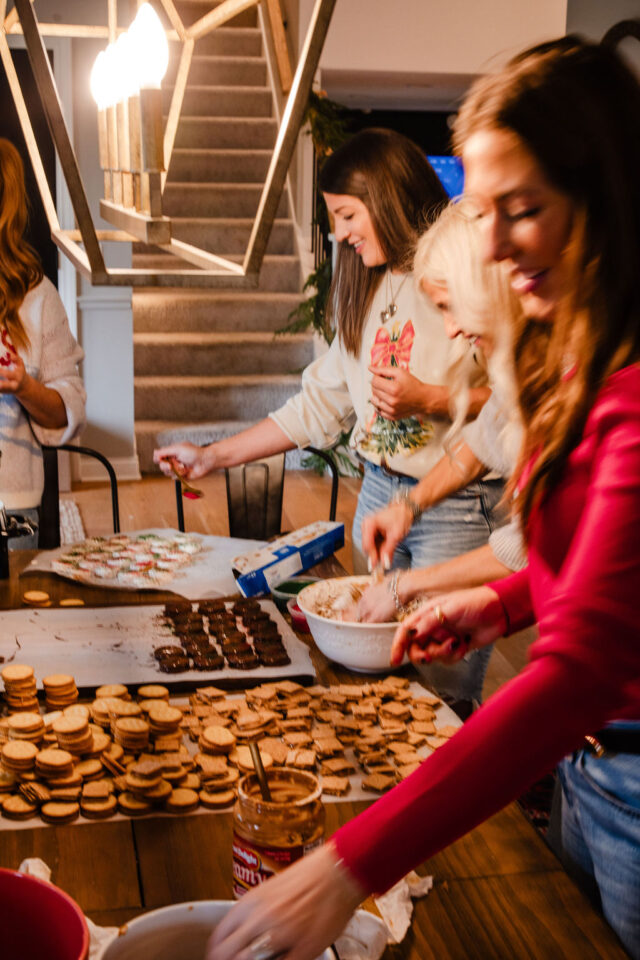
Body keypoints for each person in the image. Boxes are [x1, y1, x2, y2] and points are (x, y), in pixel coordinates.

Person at [207, 36, 640, 960]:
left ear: (607, 199)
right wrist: (501, 600)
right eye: (482, 209)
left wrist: (345, 866)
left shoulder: (631, 398)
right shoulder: (578, 367)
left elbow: (581, 669)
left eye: (518, 209)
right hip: (588, 772)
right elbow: (598, 579)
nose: (490, 244)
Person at [155, 127, 503, 703]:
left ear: (387, 198)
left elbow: (522, 405)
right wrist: (213, 455)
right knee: (371, 673)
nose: (338, 235)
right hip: (381, 499)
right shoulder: (361, 285)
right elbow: (318, 405)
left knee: (442, 689)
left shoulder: (461, 275)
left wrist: (432, 398)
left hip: (462, 511)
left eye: (346, 216)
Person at [355, 200, 526, 630]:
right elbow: (480, 444)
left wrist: (403, 586)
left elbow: (520, 550)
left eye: (450, 306)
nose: (450, 329)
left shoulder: (564, 374)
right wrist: (408, 507)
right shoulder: (515, 368)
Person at [0, 139, 85, 548]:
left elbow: (66, 410)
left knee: (15, 612)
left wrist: (25, 387)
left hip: (10, 510)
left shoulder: (38, 297)